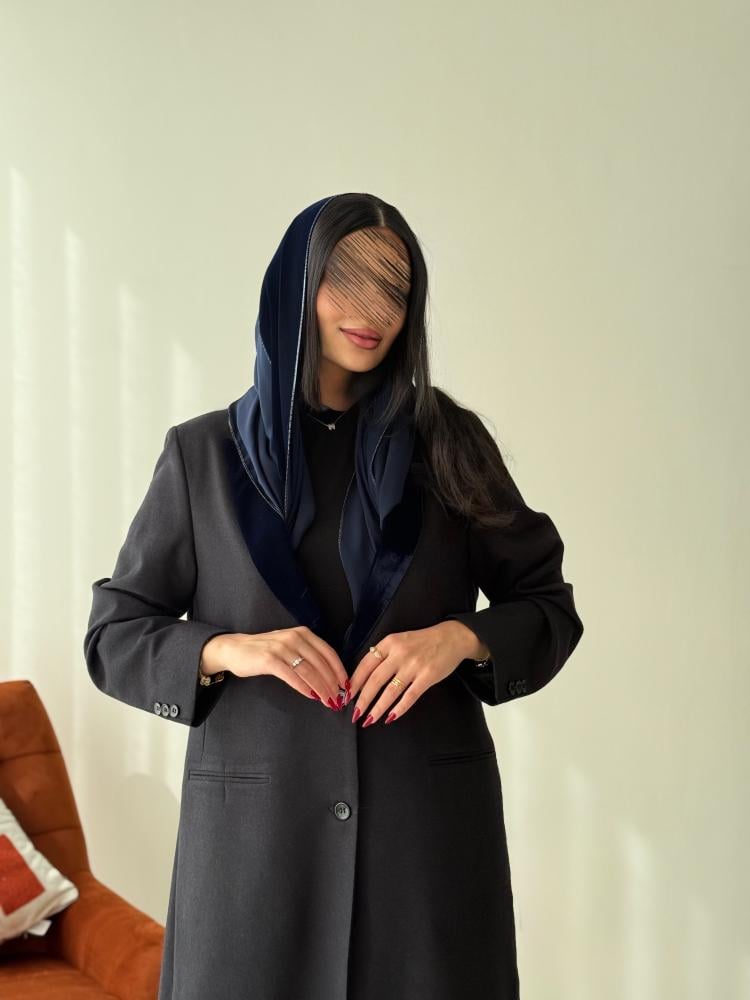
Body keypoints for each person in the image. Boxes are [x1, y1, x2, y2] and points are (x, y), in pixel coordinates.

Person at [84, 191, 584, 1000]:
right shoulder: (202, 456)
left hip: (422, 853)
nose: (373, 309)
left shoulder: (448, 445)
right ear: (298, 283)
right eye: (347, 279)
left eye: (396, 288)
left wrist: (460, 637)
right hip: (253, 862)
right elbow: (114, 633)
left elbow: (547, 605)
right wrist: (229, 649)